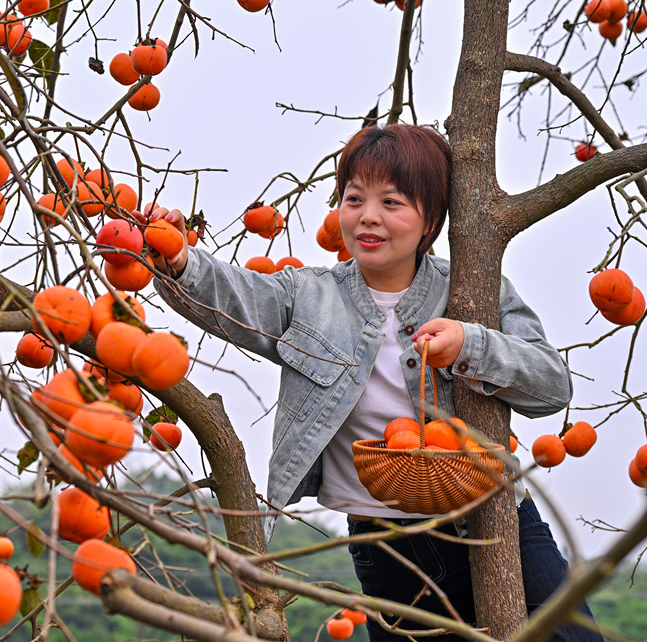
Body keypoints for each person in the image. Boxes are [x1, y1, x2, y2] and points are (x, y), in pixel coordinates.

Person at [146, 123, 602, 641]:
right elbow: (232, 296)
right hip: (383, 544)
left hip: (497, 523)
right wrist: (177, 257)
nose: (367, 216)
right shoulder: (309, 296)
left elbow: (551, 387)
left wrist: (472, 345)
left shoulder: (473, 289)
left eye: (392, 202)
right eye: (353, 198)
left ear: (430, 218)